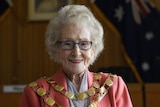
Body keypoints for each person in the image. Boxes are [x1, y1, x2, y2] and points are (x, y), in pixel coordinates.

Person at [19, 5, 133, 107]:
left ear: (93, 48)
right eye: (67, 44)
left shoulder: (113, 86)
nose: (76, 52)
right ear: (56, 47)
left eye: (84, 44)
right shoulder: (36, 93)